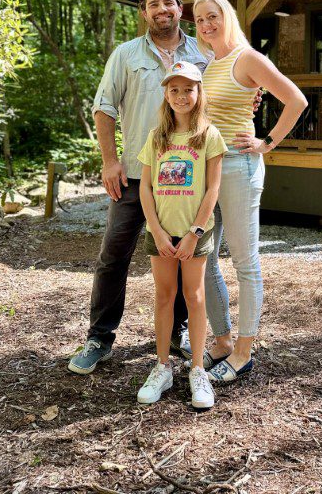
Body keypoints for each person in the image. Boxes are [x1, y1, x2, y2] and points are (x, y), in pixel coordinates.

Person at [68, 0, 207, 374]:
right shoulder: (126, 55)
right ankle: (99, 337)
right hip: (132, 176)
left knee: (182, 256)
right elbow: (104, 107)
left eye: (169, 3)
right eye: (153, 5)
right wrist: (109, 161)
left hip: (185, 179)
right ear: (143, 13)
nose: (162, 9)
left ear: (180, 8)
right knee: (113, 256)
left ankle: (179, 330)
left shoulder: (203, 52)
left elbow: (221, 98)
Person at [193, 0, 308, 384]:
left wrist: (267, 142)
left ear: (227, 16)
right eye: (200, 19)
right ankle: (222, 339)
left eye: (213, 16)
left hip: (239, 168)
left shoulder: (249, 58)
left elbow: (296, 100)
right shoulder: (210, 63)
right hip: (208, 172)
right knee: (203, 256)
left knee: (245, 261)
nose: (207, 25)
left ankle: (244, 352)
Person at [136, 61, 227, 408]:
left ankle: (198, 370)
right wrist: (156, 230)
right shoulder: (156, 137)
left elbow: (212, 189)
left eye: (188, 88)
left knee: (195, 296)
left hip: (195, 233)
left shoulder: (209, 136)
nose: (181, 95)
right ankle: (162, 367)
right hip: (160, 232)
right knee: (163, 296)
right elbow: (145, 187)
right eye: (174, 89)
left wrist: (194, 233)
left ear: (198, 92)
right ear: (166, 94)